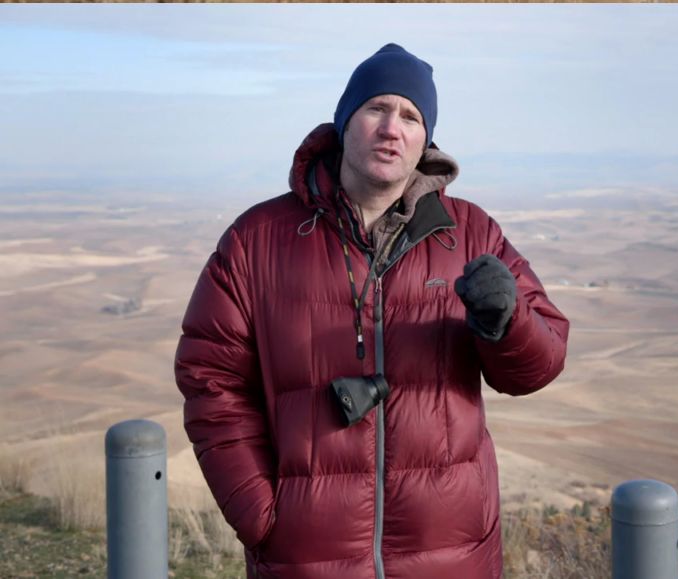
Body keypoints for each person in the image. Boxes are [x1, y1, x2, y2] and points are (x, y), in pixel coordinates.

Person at [175, 43, 568, 579]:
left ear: (425, 137)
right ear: (344, 122)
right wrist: (262, 514)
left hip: (451, 554)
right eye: (377, 108)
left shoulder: (471, 233)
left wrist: (506, 322)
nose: (392, 128)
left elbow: (540, 366)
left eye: (410, 116)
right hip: (307, 558)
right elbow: (210, 382)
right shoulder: (256, 241)